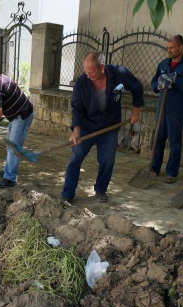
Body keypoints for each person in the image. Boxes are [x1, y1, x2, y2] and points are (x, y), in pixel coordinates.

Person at [61, 52, 144, 203]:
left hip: (109, 126)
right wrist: (76, 130)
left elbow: (137, 87)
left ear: (102, 67)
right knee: (76, 156)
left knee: (107, 159)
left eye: (91, 72)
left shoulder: (119, 74)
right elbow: (77, 107)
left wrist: (136, 109)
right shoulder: (82, 82)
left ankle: (101, 190)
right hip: (87, 125)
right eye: (86, 71)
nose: (88, 75)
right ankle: (68, 192)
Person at [150, 35, 183, 184]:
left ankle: (171, 172)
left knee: (174, 141)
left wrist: (175, 79)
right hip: (161, 106)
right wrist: (158, 86)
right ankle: (153, 169)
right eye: (167, 47)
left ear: (181, 47)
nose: (168, 50)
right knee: (157, 138)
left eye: (171, 48)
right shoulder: (163, 63)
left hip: (176, 107)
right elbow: (153, 82)